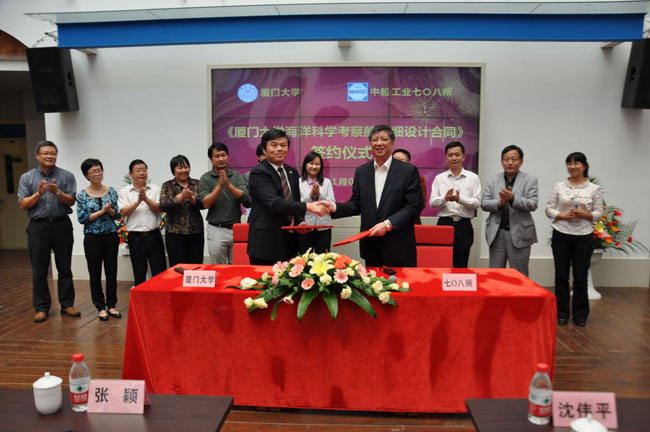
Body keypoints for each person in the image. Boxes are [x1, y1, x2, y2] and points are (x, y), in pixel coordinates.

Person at [325, 124, 424, 267]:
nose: (379, 143)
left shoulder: (408, 171)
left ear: (392, 143)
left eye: (384, 139)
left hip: (399, 247)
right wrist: (333, 207)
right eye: (374, 140)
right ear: (370, 143)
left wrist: (388, 224)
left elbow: (413, 207)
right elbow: (356, 204)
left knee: (401, 282)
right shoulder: (362, 172)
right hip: (371, 247)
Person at [18, 140, 81, 323]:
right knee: (39, 270)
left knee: (64, 268)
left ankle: (67, 304)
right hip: (38, 227)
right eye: (45, 153)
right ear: (37, 155)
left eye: (53, 153)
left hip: (61, 225)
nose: (49, 156)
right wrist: (38, 194)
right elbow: (23, 205)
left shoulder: (66, 176)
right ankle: (41, 307)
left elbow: (71, 201)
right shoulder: (27, 177)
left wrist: (57, 193)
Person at [247, 128, 329, 265]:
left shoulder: (291, 172)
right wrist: (309, 206)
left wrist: (300, 221)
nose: (279, 149)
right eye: (274, 145)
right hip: (266, 244)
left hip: (290, 243)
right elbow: (274, 203)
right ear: (264, 150)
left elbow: (294, 201)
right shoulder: (259, 172)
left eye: (283, 145)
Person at [546, 152, 603, 327]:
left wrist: (585, 214)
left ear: (584, 166)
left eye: (576, 163)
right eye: (569, 163)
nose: (572, 166)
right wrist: (563, 215)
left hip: (583, 236)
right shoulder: (558, 186)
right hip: (561, 234)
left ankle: (580, 314)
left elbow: (599, 213)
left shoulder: (594, 189)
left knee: (580, 278)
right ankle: (562, 313)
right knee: (561, 276)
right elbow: (549, 209)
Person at [481, 145, 538, 277]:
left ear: (521, 161)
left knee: (520, 275)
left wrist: (513, 199)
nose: (510, 162)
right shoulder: (492, 180)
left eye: (514, 159)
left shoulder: (530, 180)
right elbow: (484, 203)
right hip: (497, 233)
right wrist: (499, 203)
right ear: (502, 161)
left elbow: (533, 204)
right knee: (495, 275)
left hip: (520, 233)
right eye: (506, 159)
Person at [76, 159, 121, 321]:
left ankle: (112, 305)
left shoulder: (111, 191)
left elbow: (117, 215)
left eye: (99, 170)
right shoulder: (82, 194)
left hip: (110, 236)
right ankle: (100, 306)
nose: (97, 174)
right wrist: (101, 212)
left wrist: (109, 211)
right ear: (86, 175)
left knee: (111, 271)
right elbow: (82, 218)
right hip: (92, 237)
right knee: (94, 272)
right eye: (93, 171)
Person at [429, 141, 481, 268]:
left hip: (464, 225)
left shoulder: (473, 178)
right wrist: (445, 198)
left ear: (463, 157)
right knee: (441, 263)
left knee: (461, 264)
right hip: (444, 223)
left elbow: (477, 203)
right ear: (446, 158)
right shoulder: (439, 178)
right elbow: (432, 203)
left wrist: (460, 199)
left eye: (457, 155)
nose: (454, 158)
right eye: (450, 155)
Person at [198, 143, 250, 264]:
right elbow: (205, 203)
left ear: (228, 156)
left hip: (236, 228)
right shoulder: (206, 178)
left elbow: (245, 198)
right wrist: (220, 186)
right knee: (218, 268)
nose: (221, 159)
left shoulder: (236, 176)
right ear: (211, 159)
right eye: (217, 156)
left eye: (223, 155)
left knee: (237, 266)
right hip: (217, 230)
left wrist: (228, 185)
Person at [118, 159, 166, 286]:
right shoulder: (125, 191)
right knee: (139, 273)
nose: (142, 173)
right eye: (138, 170)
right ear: (131, 174)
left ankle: (159, 297)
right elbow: (123, 212)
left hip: (154, 236)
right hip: (136, 238)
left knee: (159, 272)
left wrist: (146, 199)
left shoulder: (155, 189)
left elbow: (159, 209)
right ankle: (141, 298)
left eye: (144, 170)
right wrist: (138, 201)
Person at [160, 155, 204, 267]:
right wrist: (181, 197)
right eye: (180, 168)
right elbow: (163, 206)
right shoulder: (167, 185)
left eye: (186, 167)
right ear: (173, 170)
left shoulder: (197, 184)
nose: (184, 170)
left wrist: (192, 199)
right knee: (177, 268)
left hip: (196, 232)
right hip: (175, 234)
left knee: (196, 267)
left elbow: (204, 204)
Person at [298, 151, 335, 254]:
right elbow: (296, 204)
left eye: (317, 164)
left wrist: (319, 195)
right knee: (304, 258)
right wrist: (310, 195)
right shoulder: (298, 182)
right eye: (311, 163)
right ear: (305, 165)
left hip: (323, 227)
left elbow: (332, 203)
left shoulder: (327, 182)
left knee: (323, 258)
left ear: (321, 166)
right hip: (305, 226)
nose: (314, 166)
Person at [392, 148, 427, 225]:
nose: (397, 163)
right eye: (394, 161)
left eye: (401, 160)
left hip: (411, 221)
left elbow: (421, 203)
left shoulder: (418, 179)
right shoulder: (386, 179)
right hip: (388, 222)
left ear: (408, 163)